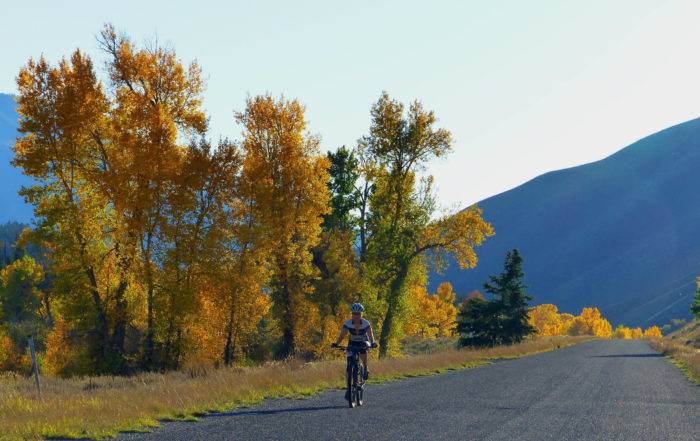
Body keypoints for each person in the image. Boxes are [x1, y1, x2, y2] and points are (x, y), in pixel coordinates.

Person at [331, 302, 378, 385]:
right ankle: (350, 373)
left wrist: (373, 343)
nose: (356, 315)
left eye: (358, 314)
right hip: (352, 342)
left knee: (363, 351)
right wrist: (336, 343)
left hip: (363, 341)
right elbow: (342, 335)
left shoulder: (366, 323)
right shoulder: (348, 323)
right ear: (352, 314)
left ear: (361, 314)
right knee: (349, 357)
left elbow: (370, 335)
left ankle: (365, 368)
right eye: (354, 314)